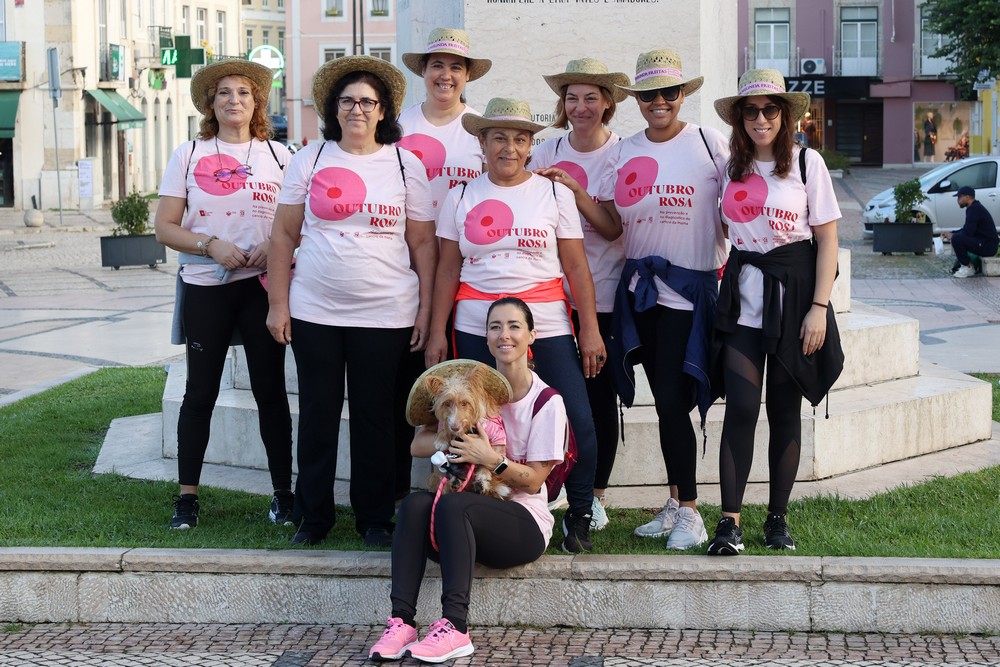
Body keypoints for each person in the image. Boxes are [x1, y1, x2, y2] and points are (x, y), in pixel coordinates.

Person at [265, 56, 437, 547]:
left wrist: (425, 311)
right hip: (315, 311)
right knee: (317, 415)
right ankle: (313, 517)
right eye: (347, 101)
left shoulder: (406, 164)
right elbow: (283, 235)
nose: (357, 109)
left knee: (375, 419)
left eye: (367, 102)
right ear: (333, 109)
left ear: (383, 111)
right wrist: (279, 305)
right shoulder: (311, 159)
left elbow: (424, 245)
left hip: (387, 313)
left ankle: (375, 518)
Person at [425, 97, 605, 554]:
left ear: (530, 146)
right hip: (474, 324)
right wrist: (434, 333)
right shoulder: (461, 195)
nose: (509, 147)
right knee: (470, 424)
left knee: (578, 420)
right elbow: (447, 269)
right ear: (481, 142)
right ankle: (472, 510)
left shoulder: (554, 194)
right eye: (499, 137)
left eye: (520, 139)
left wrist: (590, 329)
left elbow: (577, 268)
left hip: (545, 322)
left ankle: (579, 514)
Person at [369, 297, 565, 663]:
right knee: (414, 504)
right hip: (463, 519)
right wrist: (449, 435)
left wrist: (490, 458)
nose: (504, 335)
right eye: (495, 327)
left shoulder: (546, 402)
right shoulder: (465, 390)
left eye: (513, 326)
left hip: (521, 526)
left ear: (532, 335)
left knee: (455, 505)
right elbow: (419, 443)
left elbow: (535, 481)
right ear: (486, 338)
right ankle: (401, 622)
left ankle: (455, 627)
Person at [708, 69, 843, 555]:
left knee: (785, 412)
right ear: (739, 118)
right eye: (750, 110)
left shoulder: (807, 164)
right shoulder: (730, 169)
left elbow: (827, 239)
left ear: (785, 116)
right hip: (743, 303)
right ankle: (729, 522)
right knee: (741, 407)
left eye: (770, 110)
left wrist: (819, 309)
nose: (760, 118)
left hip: (795, 301)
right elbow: (720, 236)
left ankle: (777, 519)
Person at [154, 60, 293, 530]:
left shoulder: (280, 156)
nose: (235, 100)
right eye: (225, 94)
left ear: (257, 104)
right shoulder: (189, 154)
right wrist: (210, 244)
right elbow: (164, 228)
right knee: (200, 392)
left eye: (244, 94)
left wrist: (272, 247)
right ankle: (187, 498)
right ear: (211, 105)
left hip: (261, 290)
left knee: (270, 391)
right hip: (206, 291)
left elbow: (296, 224)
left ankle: (282, 494)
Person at [598, 49, 729, 550]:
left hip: (689, 293)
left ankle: (692, 511)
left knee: (675, 400)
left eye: (668, 93)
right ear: (636, 100)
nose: (659, 102)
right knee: (663, 402)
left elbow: (735, 206)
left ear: (681, 96)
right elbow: (613, 224)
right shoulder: (624, 150)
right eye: (648, 94)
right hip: (641, 293)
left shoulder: (707, 142)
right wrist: (572, 192)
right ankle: (676, 501)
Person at [393, 28, 492, 502]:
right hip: (403, 263)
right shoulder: (398, 126)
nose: (445, 75)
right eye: (437, 65)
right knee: (411, 381)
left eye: (456, 67)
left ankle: (471, 481)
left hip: (464, 268)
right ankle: (407, 488)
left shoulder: (479, 128)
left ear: (467, 75)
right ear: (423, 72)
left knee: (461, 377)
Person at [531, 57, 630, 532]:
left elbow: (612, 228)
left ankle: (597, 494)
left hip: (603, 294)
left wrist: (572, 189)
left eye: (591, 97)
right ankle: (547, 485)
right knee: (553, 398)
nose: (581, 106)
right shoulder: (544, 148)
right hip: (549, 297)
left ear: (608, 103)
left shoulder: (619, 153)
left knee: (596, 398)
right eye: (572, 97)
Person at [942, 186, 999, 278]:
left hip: (988, 246)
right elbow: (966, 229)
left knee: (956, 239)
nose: (957, 200)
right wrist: (952, 232)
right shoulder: (974, 208)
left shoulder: (974, 209)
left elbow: (968, 232)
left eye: (959, 197)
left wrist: (953, 235)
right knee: (956, 237)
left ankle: (968, 267)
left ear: (967, 197)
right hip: (985, 243)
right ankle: (966, 265)